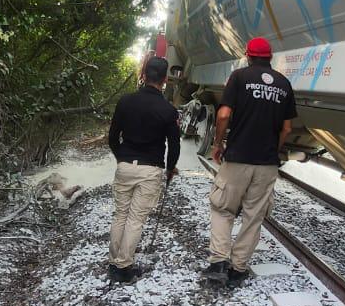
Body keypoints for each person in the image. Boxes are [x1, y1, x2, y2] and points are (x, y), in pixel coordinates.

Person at [203, 37, 296, 285]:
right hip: (266, 164)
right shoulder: (284, 84)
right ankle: (238, 268)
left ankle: (218, 262)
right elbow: (287, 128)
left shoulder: (239, 77)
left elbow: (223, 115)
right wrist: (273, 151)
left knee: (223, 209)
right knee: (253, 216)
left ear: (247, 55)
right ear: (270, 57)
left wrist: (218, 143)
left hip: (237, 159)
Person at [108, 57, 180, 283]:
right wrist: (170, 170)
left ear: (144, 75)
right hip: (150, 170)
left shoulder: (125, 101)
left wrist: (122, 158)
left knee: (120, 214)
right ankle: (124, 266)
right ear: (165, 80)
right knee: (136, 219)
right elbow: (174, 146)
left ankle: (113, 261)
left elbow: (112, 137)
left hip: (125, 166)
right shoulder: (168, 110)